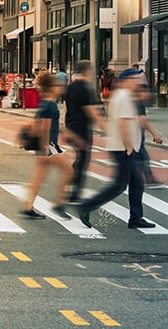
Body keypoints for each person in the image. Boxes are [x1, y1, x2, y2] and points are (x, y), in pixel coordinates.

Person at [74, 69, 155, 230]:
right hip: (124, 147)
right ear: (125, 81)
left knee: (137, 183)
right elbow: (123, 122)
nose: (137, 83)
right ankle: (86, 206)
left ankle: (136, 217)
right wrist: (129, 144)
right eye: (134, 80)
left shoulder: (123, 96)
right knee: (119, 185)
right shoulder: (124, 97)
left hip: (124, 146)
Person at [20, 71, 72, 220]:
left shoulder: (46, 103)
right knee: (69, 171)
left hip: (46, 147)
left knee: (38, 178)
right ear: (52, 87)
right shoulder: (49, 106)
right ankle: (58, 203)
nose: (60, 88)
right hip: (49, 146)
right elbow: (45, 128)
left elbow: (49, 125)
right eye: (58, 85)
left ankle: (27, 206)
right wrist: (44, 150)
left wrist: (69, 135)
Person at [62, 61, 103, 204]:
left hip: (71, 126)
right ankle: (73, 190)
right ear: (87, 72)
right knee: (82, 160)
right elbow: (91, 112)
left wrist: (66, 127)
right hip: (82, 129)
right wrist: (106, 129)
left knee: (80, 159)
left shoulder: (70, 87)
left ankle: (70, 186)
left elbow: (65, 108)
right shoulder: (85, 89)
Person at [133, 74, 165, 190]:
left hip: (135, 137)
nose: (148, 95)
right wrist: (155, 134)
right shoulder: (138, 103)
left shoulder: (134, 102)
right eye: (146, 92)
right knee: (143, 158)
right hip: (135, 137)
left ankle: (146, 179)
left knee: (139, 159)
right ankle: (149, 180)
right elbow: (142, 120)